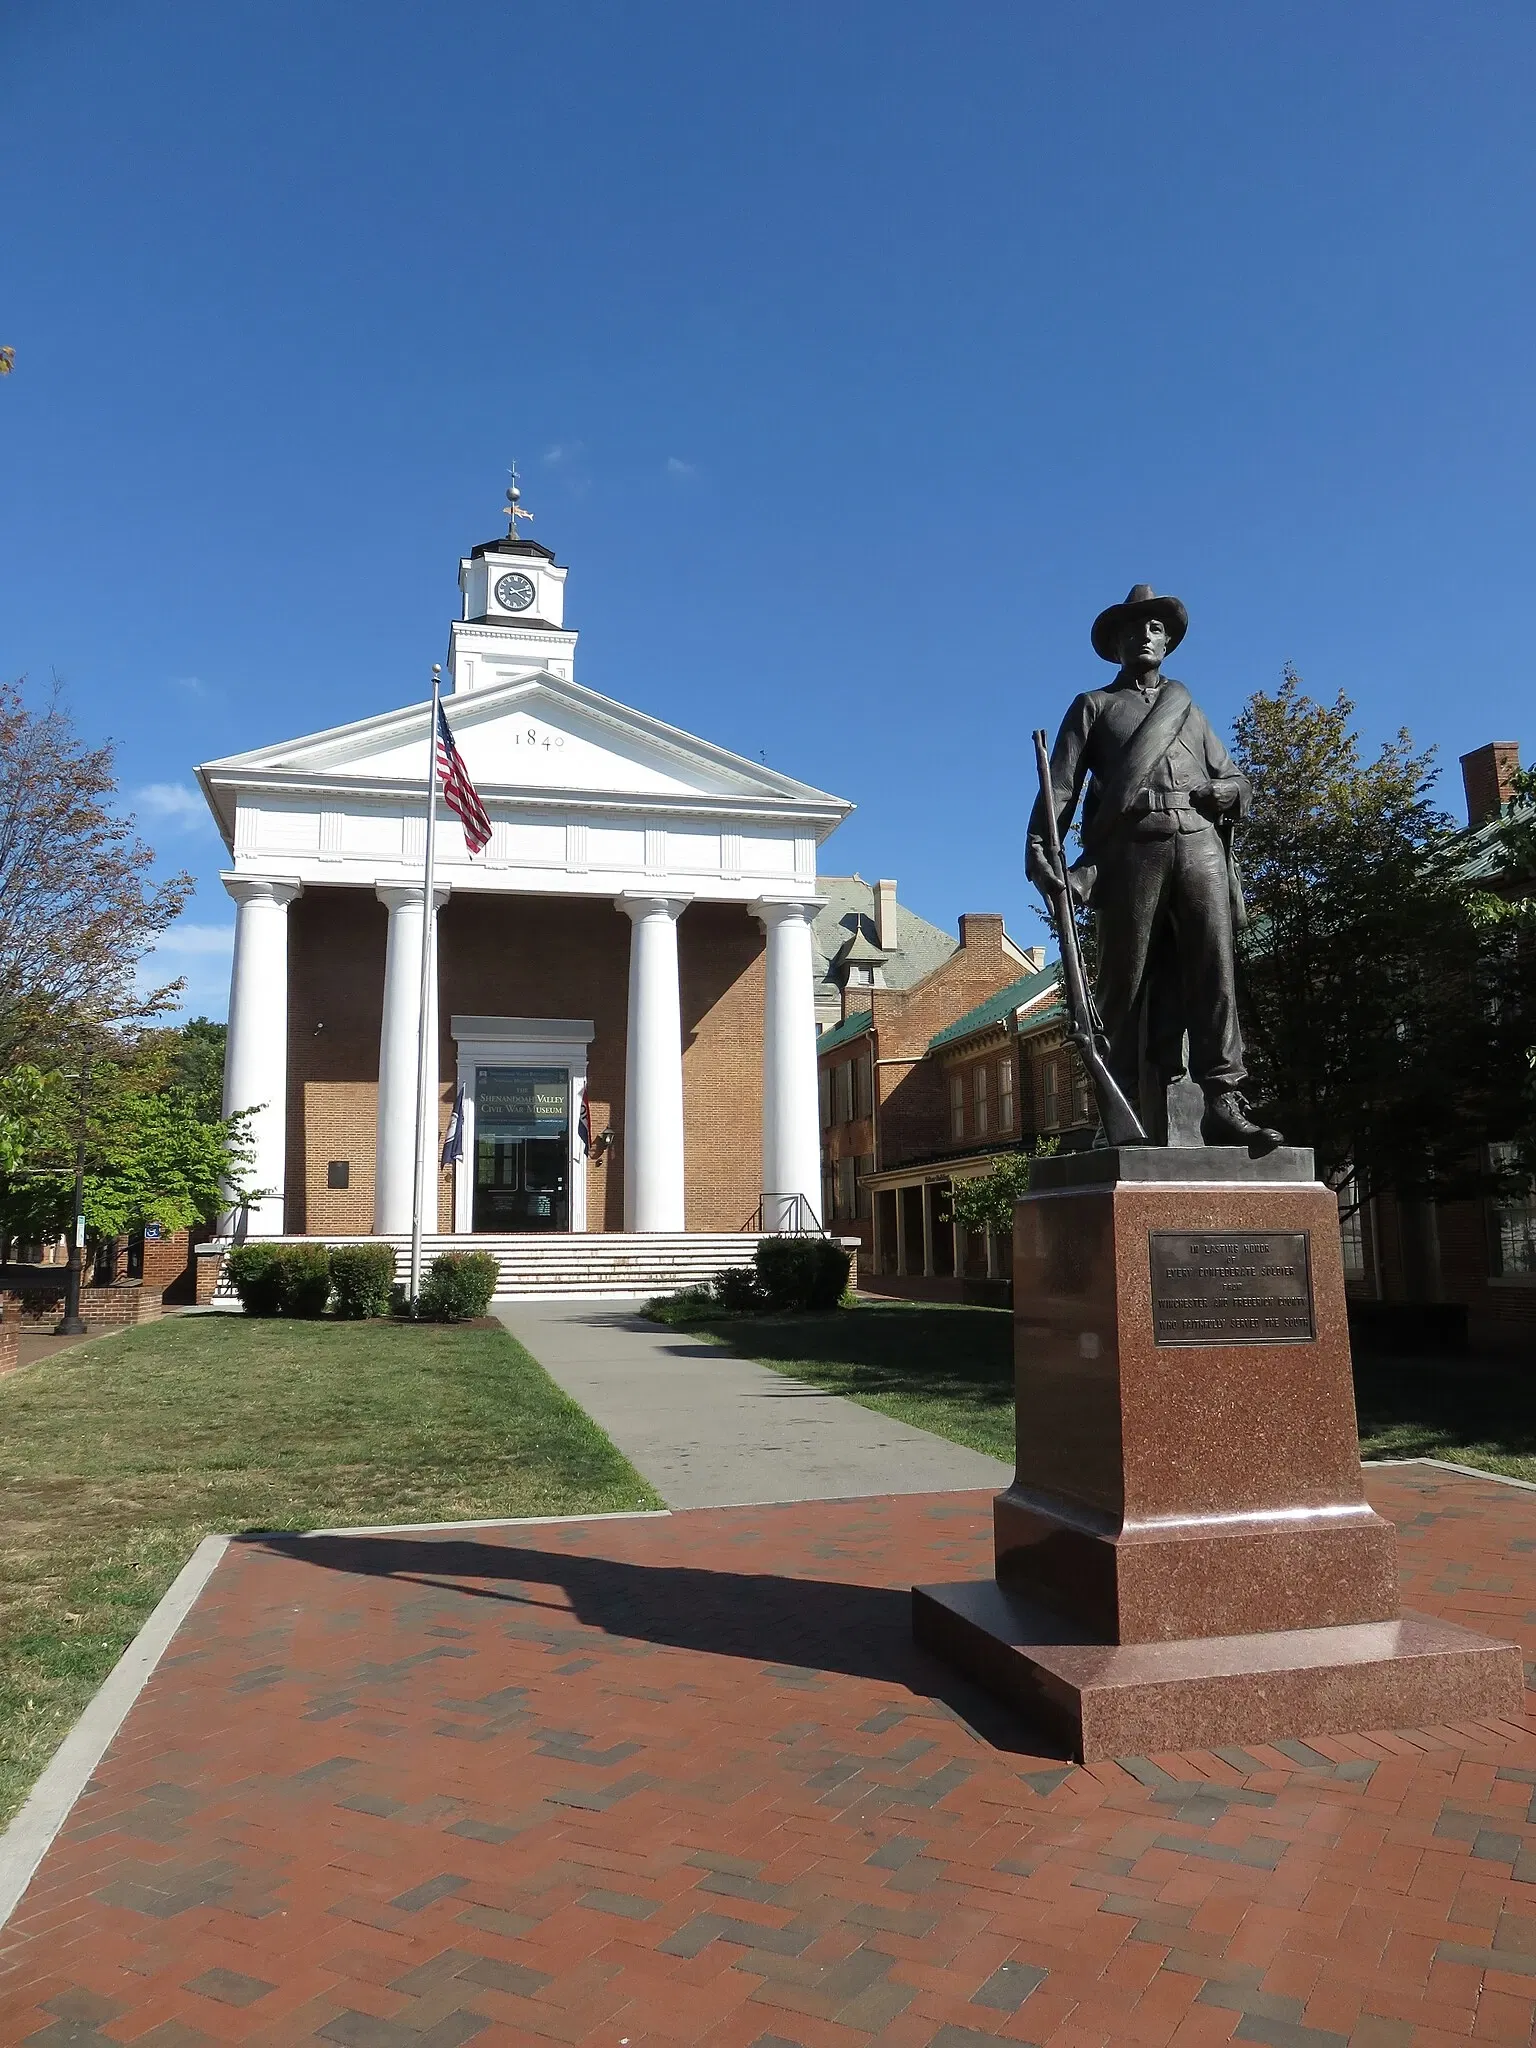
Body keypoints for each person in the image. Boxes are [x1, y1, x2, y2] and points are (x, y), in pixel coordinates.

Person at [1026, 584, 1282, 1149]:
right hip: (1132, 850)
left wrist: (1227, 792)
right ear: (1116, 643)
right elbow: (1060, 792)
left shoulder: (1187, 707)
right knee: (1125, 982)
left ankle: (1224, 1099)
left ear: (1167, 640)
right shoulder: (1093, 707)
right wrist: (1043, 855)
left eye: (1155, 627)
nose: (1145, 634)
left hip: (1199, 843)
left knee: (1214, 971)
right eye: (1134, 627)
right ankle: (1118, 1105)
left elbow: (1237, 778)